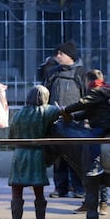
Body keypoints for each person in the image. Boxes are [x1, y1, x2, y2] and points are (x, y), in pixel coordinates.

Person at [7, 85, 66, 219]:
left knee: (17, 189)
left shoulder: (19, 114)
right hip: (36, 155)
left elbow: (11, 137)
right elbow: (63, 111)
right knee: (38, 191)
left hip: (19, 155)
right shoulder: (46, 111)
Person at [58, 69, 110, 214]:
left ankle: (102, 202)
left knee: (92, 158)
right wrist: (74, 117)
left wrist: (65, 109)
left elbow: (82, 103)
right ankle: (90, 203)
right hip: (101, 125)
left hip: (101, 127)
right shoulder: (101, 91)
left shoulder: (96, 91)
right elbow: (88, 112)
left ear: (89, 80)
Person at [43, 41, 86, 199]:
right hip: (55, 121)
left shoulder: (82, 73)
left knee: (76, 156)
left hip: (76, 122)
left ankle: (79, 188)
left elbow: (87, 97)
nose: (57, 56)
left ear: (70, 56)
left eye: (61, 53)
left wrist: (84, 117)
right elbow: (44, 94)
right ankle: (60, 188)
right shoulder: (52, 72)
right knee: (58, 157)